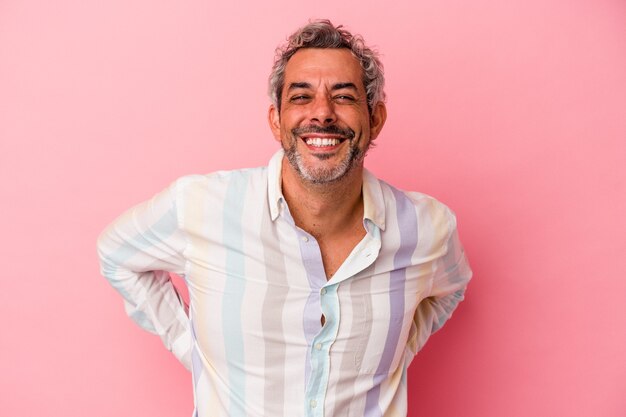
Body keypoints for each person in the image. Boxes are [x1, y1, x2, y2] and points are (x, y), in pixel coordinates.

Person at [97, 19, 472, 417]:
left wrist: (395, 351)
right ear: (276, 120)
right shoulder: (203, 207)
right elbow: (116, 252)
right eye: (301, 97)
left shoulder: (428, 228)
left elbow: (451, 286)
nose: (322, 114)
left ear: (375, 118)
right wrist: (191, 346)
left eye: (343, 97)